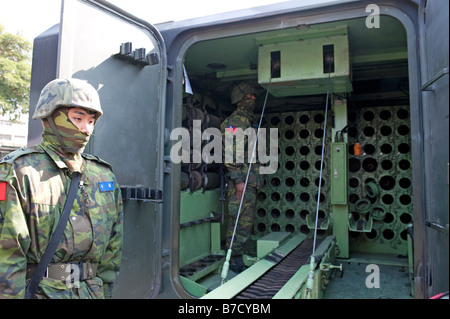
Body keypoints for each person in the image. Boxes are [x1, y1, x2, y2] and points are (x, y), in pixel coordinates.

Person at [0, 78, 123, 299]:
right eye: (77, 118)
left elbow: (113, 248)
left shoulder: (103, 174)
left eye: (91, 121)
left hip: (91, 293)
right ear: (49, 118)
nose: (86, 129)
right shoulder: (19, 171)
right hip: (41, 292)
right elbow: (7, 252)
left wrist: (103, 291)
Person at [221, 83, 263, 273]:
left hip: (250, 179)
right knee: (239, 219)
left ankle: (238, 252)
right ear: (239, 98)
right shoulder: (236, 122)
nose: (253, 99)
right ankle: (233, 256)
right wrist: (238, 181)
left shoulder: (248, 120)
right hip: (242, 180)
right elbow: (231, 154)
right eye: (249, 96)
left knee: (246, 219)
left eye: (254, 96)